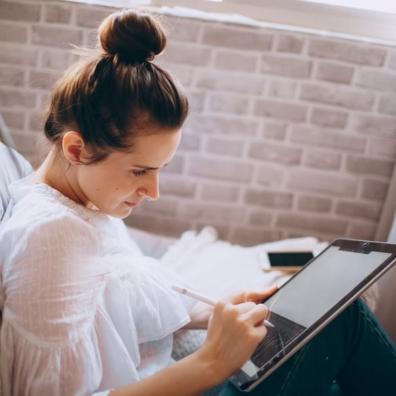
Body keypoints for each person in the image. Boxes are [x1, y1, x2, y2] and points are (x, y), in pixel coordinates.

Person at [0, 8, 395, 396]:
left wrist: (221, 310)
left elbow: (121, 304)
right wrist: (211, 362)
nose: (153, 191)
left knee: (329, 340)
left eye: (160, 169)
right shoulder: (50, 238)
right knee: (345, 323)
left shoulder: (86, 206)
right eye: (139, 171)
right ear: (76, 149)